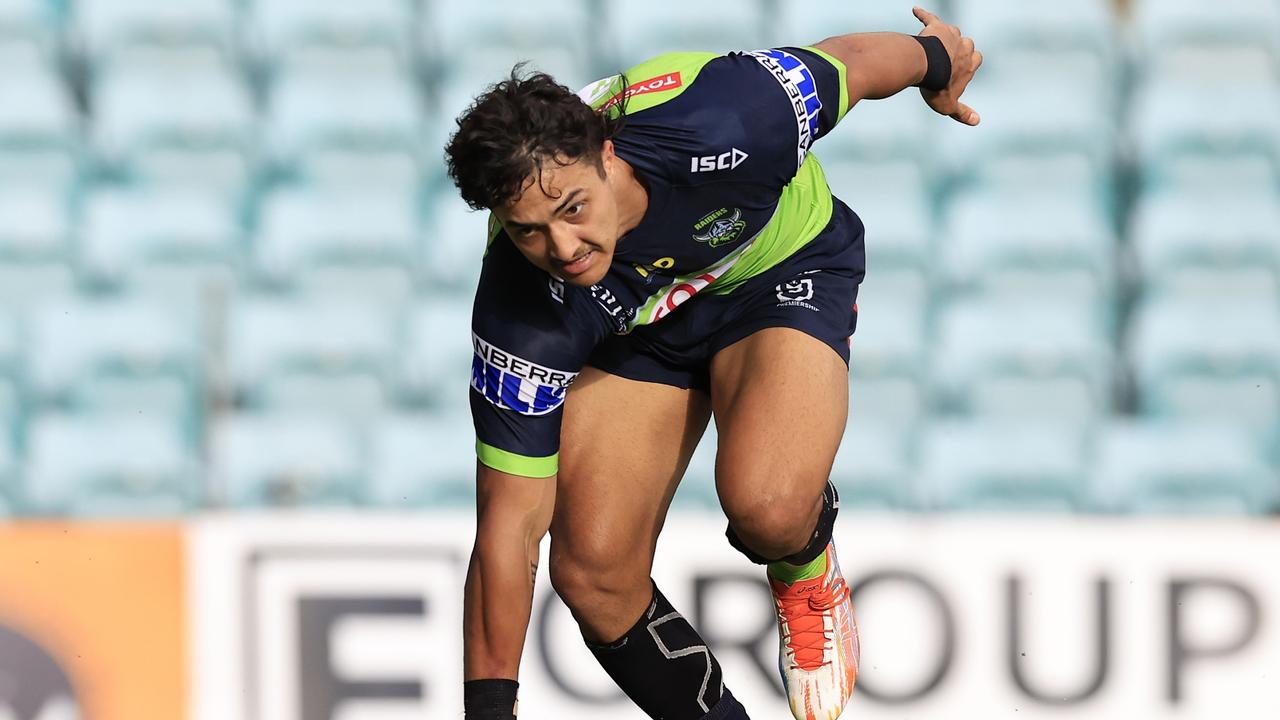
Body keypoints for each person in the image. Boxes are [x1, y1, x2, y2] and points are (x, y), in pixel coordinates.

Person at [446, 7, 982, 720]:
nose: (566, 246)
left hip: (776, 274)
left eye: (574, 208)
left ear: (607, 153)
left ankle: (805, 566)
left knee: (769, 507)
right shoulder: (521, 308)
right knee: (593, 572)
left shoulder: (728, 118)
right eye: (529, 231)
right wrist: (488, 710)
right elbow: (508, 530)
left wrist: (935, 61)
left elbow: (852, 62)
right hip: (643, 325)